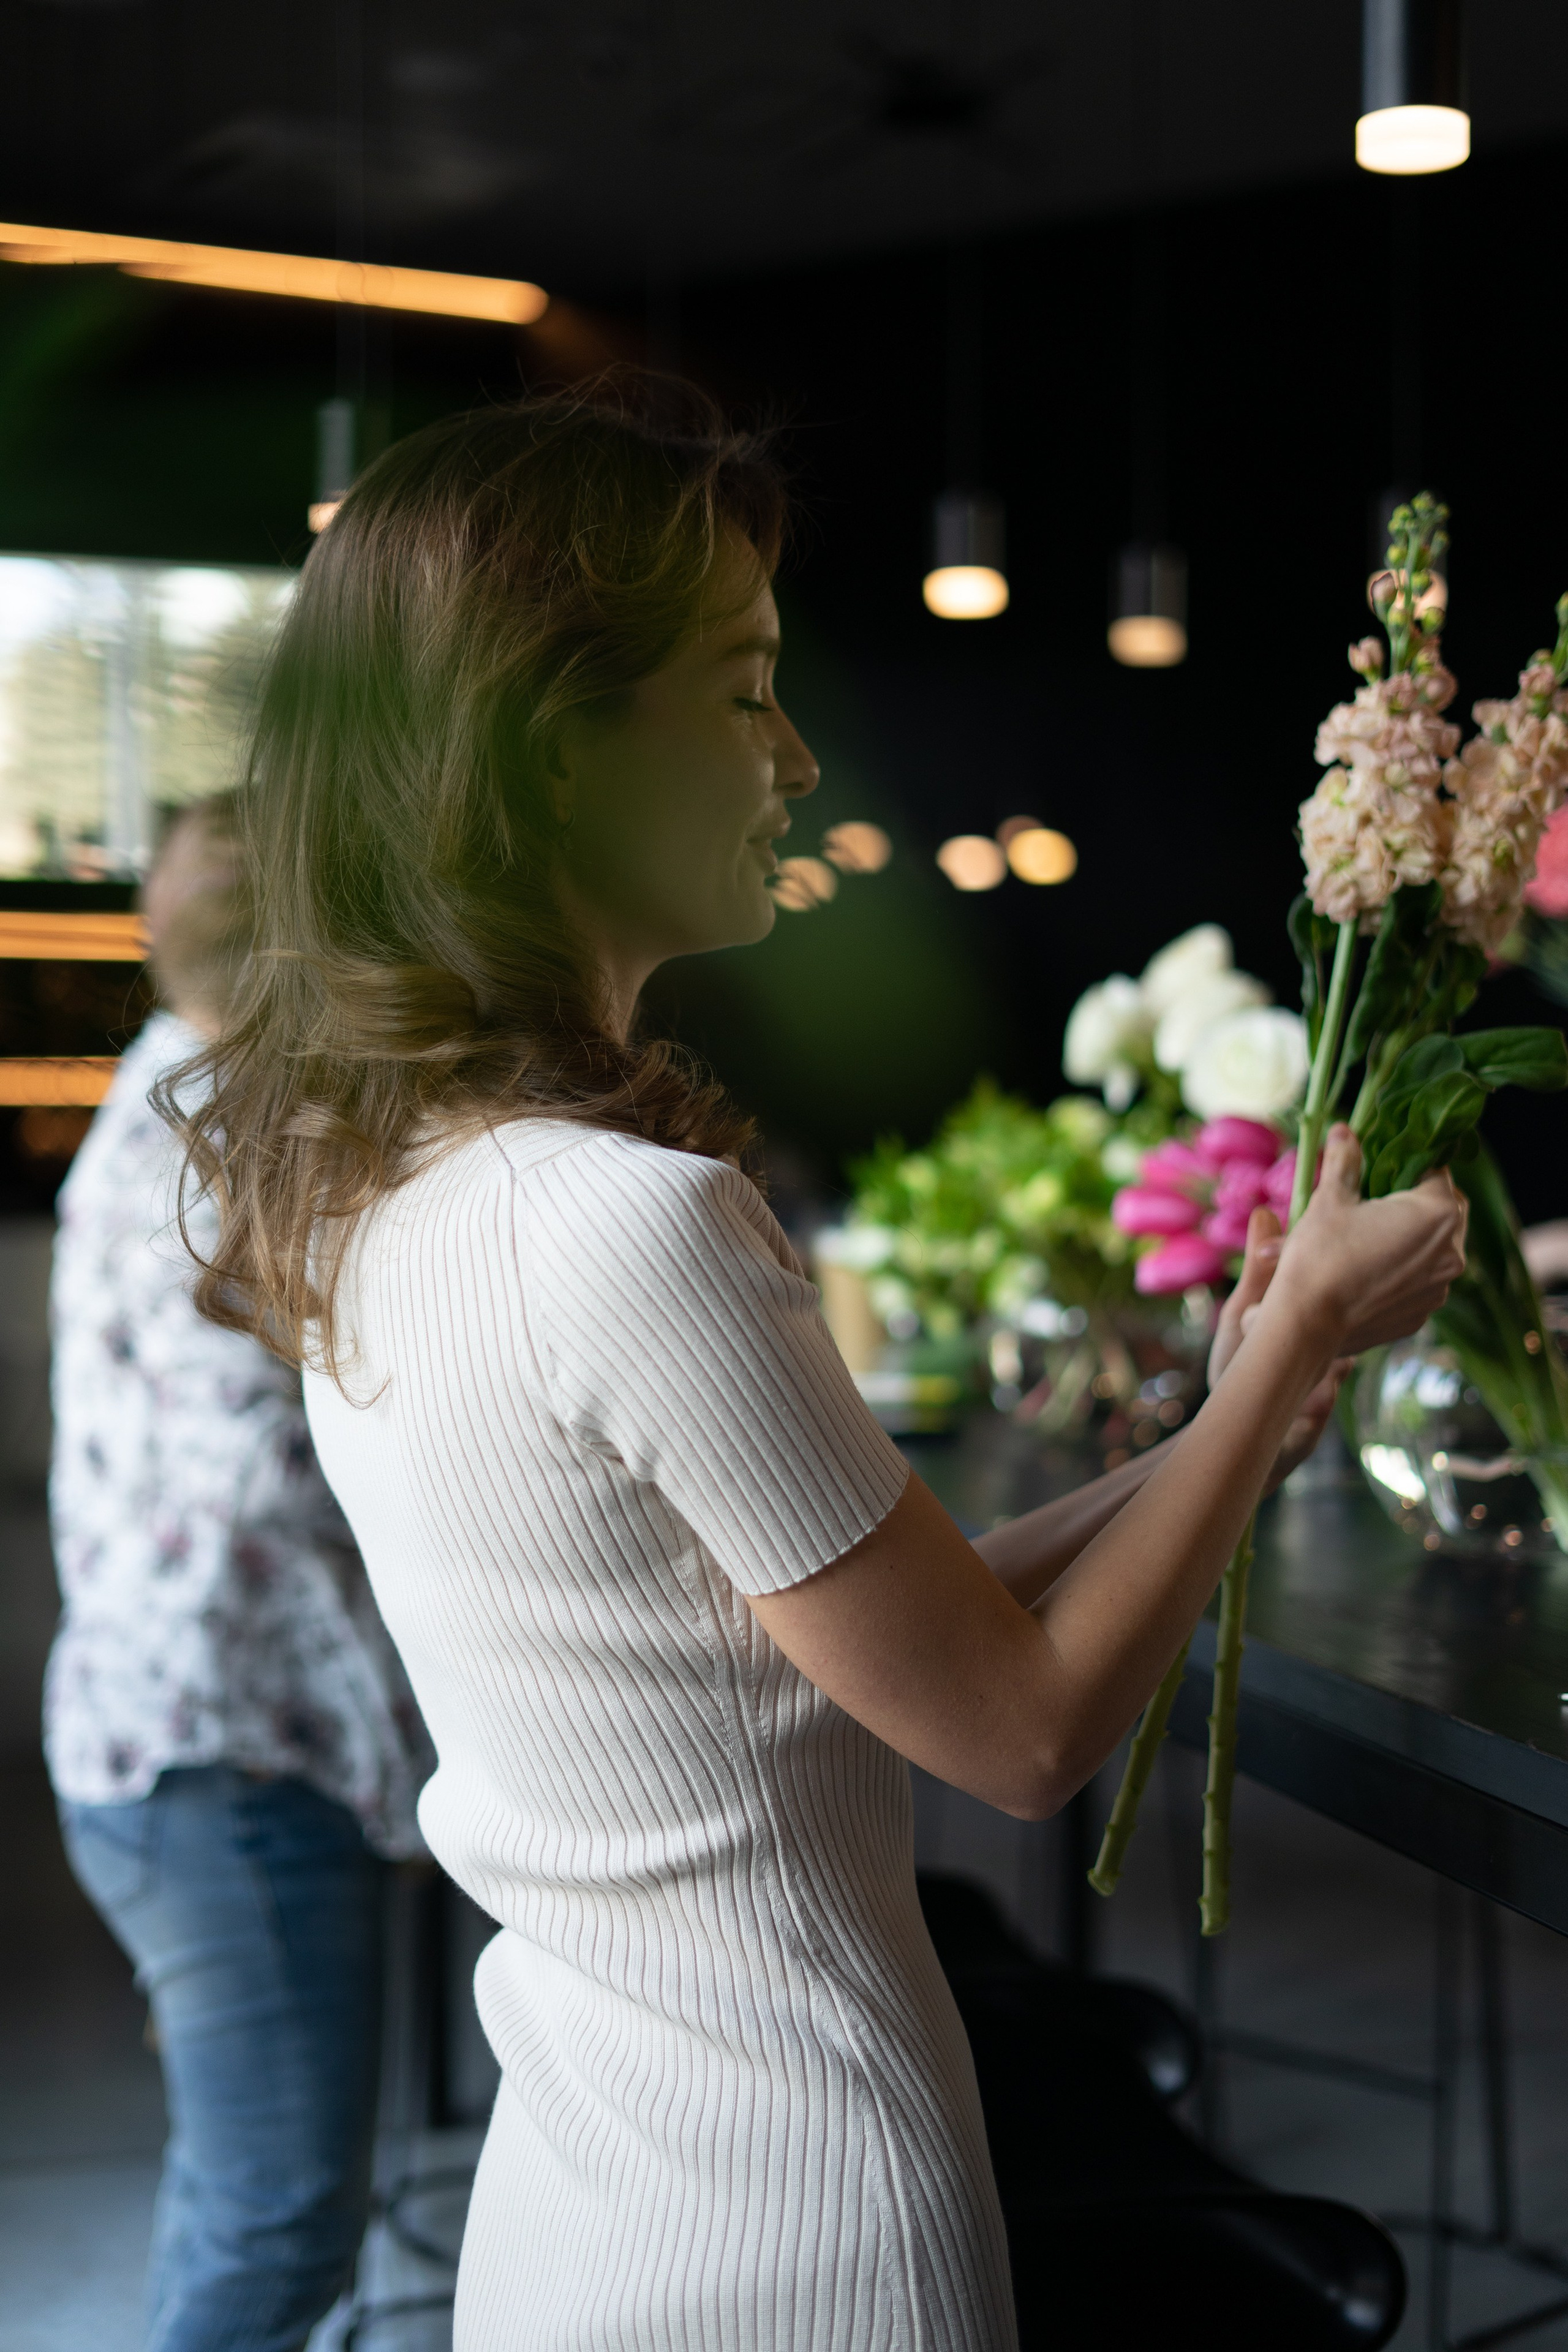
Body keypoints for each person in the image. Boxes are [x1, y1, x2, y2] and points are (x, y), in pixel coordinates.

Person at [170, 380, 1467, 2352]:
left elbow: (851, 1634)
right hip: (806, 2227)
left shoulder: (396, 1193)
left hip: (589, 2213)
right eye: (742, 688)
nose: (791, 758)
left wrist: (1238, 1424)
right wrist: (1294, 1323)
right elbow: (1020, 1738)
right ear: (548, 753)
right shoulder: (624, 1223)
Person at [47, 794, 432, 2352]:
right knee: (279, 2223)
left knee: (240, 2196)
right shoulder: (220, 1153)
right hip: (231, 1759)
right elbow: (262, 1493)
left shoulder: (171, 1096)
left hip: (166, 1741)